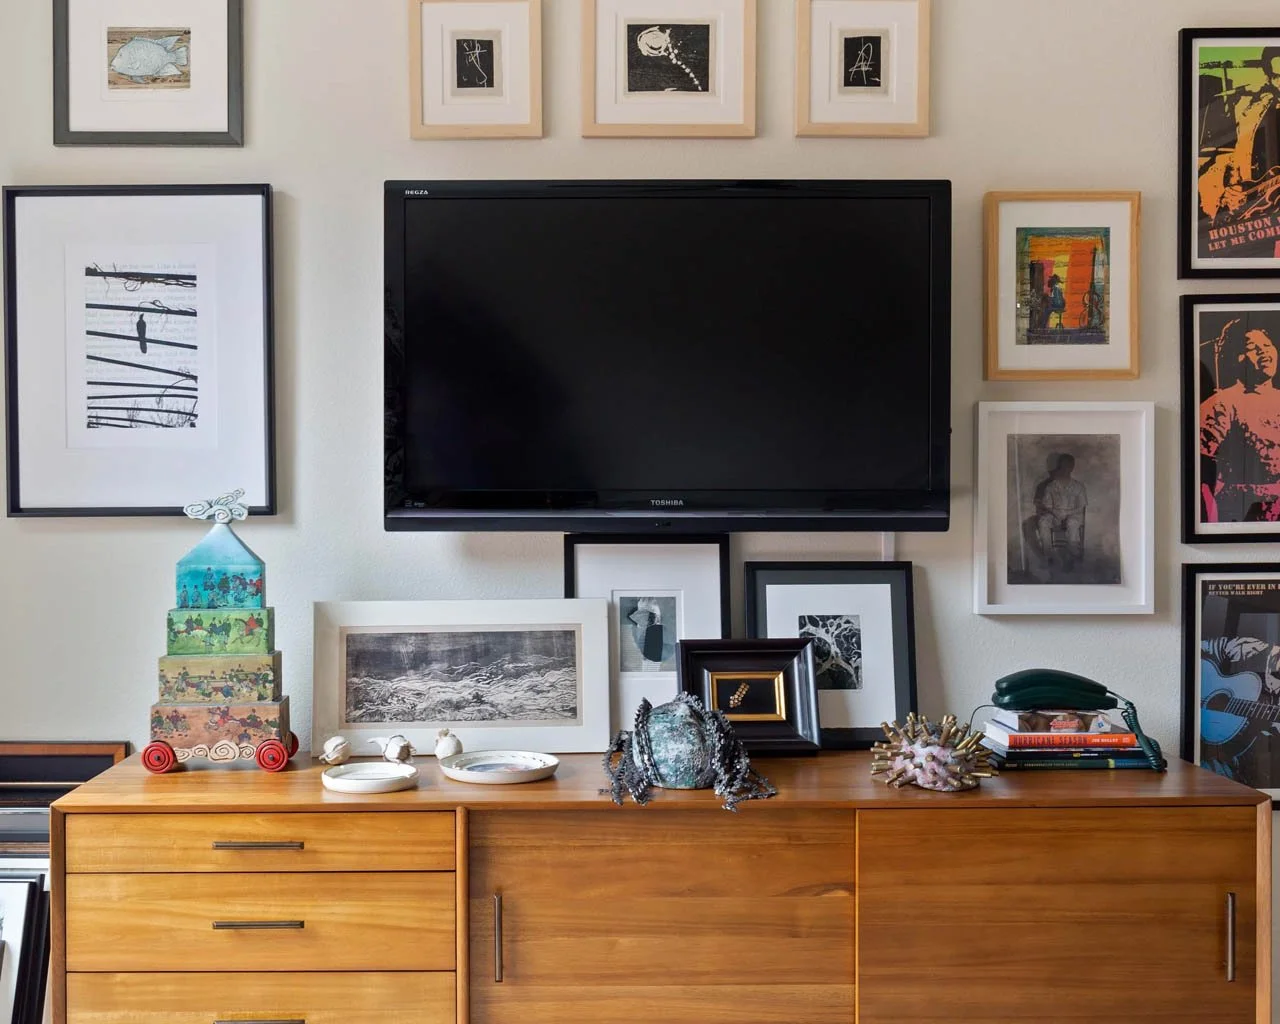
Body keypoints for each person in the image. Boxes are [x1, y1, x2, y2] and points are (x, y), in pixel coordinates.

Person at [1200, 321, 1280, 522]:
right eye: (1253, 348)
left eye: (1267, 345)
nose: (1263, 352)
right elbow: (1202, 469)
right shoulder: (1221, 404)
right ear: (1235, 358)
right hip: (1241, 510)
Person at [1035, 453, 1086, 570]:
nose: (1065, 469)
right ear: (1059, 466)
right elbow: (1047, 505)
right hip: (1055, 515)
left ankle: (1072, 555)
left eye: (1068, 466)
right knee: (1043, 521)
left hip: (1073, 515)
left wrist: (1068, 514)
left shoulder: (1078, 487)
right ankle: (1049, 556)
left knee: (1072, 523)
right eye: (1063, 466)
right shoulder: (1051, 486)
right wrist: (1056, 513)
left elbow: (1081, 506)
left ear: (1072, 467)